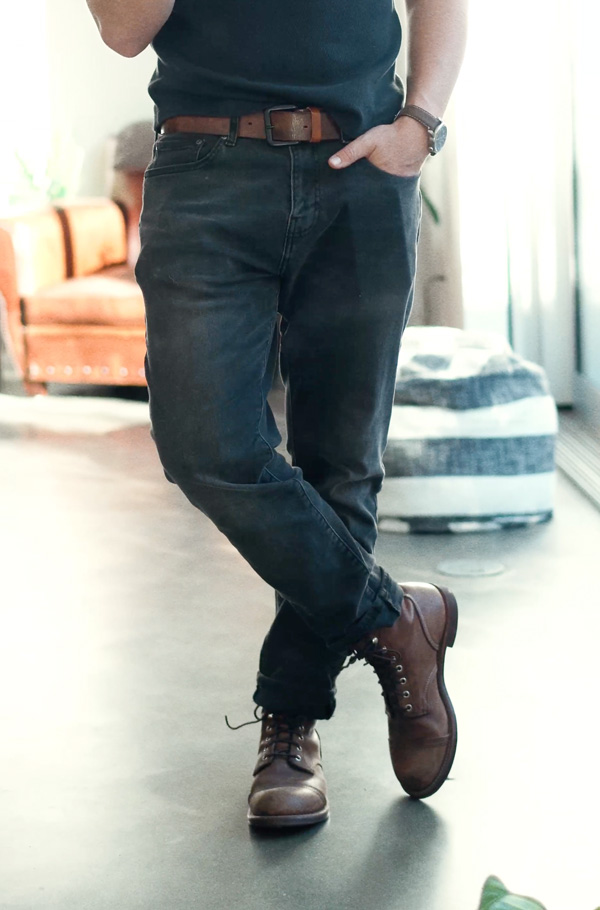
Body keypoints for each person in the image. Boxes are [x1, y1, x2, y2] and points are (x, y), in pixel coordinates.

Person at [87, 0, 468, 829]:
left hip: (361, 163)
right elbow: (121, 30)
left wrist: (422, 124)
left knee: (341, 464)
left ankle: (291, 723)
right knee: (204, 443)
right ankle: (398, 622)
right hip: (204, 167)